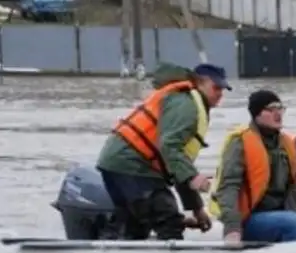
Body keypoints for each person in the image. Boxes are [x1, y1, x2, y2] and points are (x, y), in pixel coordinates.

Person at [96, 62, 230, 240]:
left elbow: (178, 165)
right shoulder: (186, 104)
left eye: (223, 90)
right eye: (216, 88)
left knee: (133, 226)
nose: (220, 94)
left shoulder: (190, 101)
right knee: (169, 221)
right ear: (200, 83)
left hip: (119, 162)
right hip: (134, 165)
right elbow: (169, 146)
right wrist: (193, 177)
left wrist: (197, 209)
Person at [209, 90, 296, 243]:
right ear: (256, 114)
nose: (278, 113)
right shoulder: (240, 143)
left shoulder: (287, 143)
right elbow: (228, 187)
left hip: (284, 210)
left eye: (280, 108)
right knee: (291, 222)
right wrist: (232, 228)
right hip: (250, 218)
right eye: (271, 109)